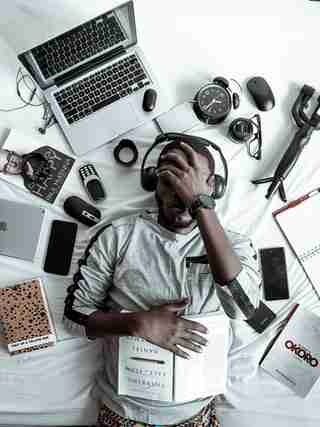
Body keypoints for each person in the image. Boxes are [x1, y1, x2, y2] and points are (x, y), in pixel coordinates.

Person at [64, 138, 261, 427]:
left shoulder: (236, 246)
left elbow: (245, 308)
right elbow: (73, 316)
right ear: (153, 182)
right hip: (123, 413)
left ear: (212, 187)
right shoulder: (118, 236)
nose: (180, 194)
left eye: (190, 181)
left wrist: (199, 205)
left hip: (196, 414)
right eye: (170, 180)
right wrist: (136, 324)